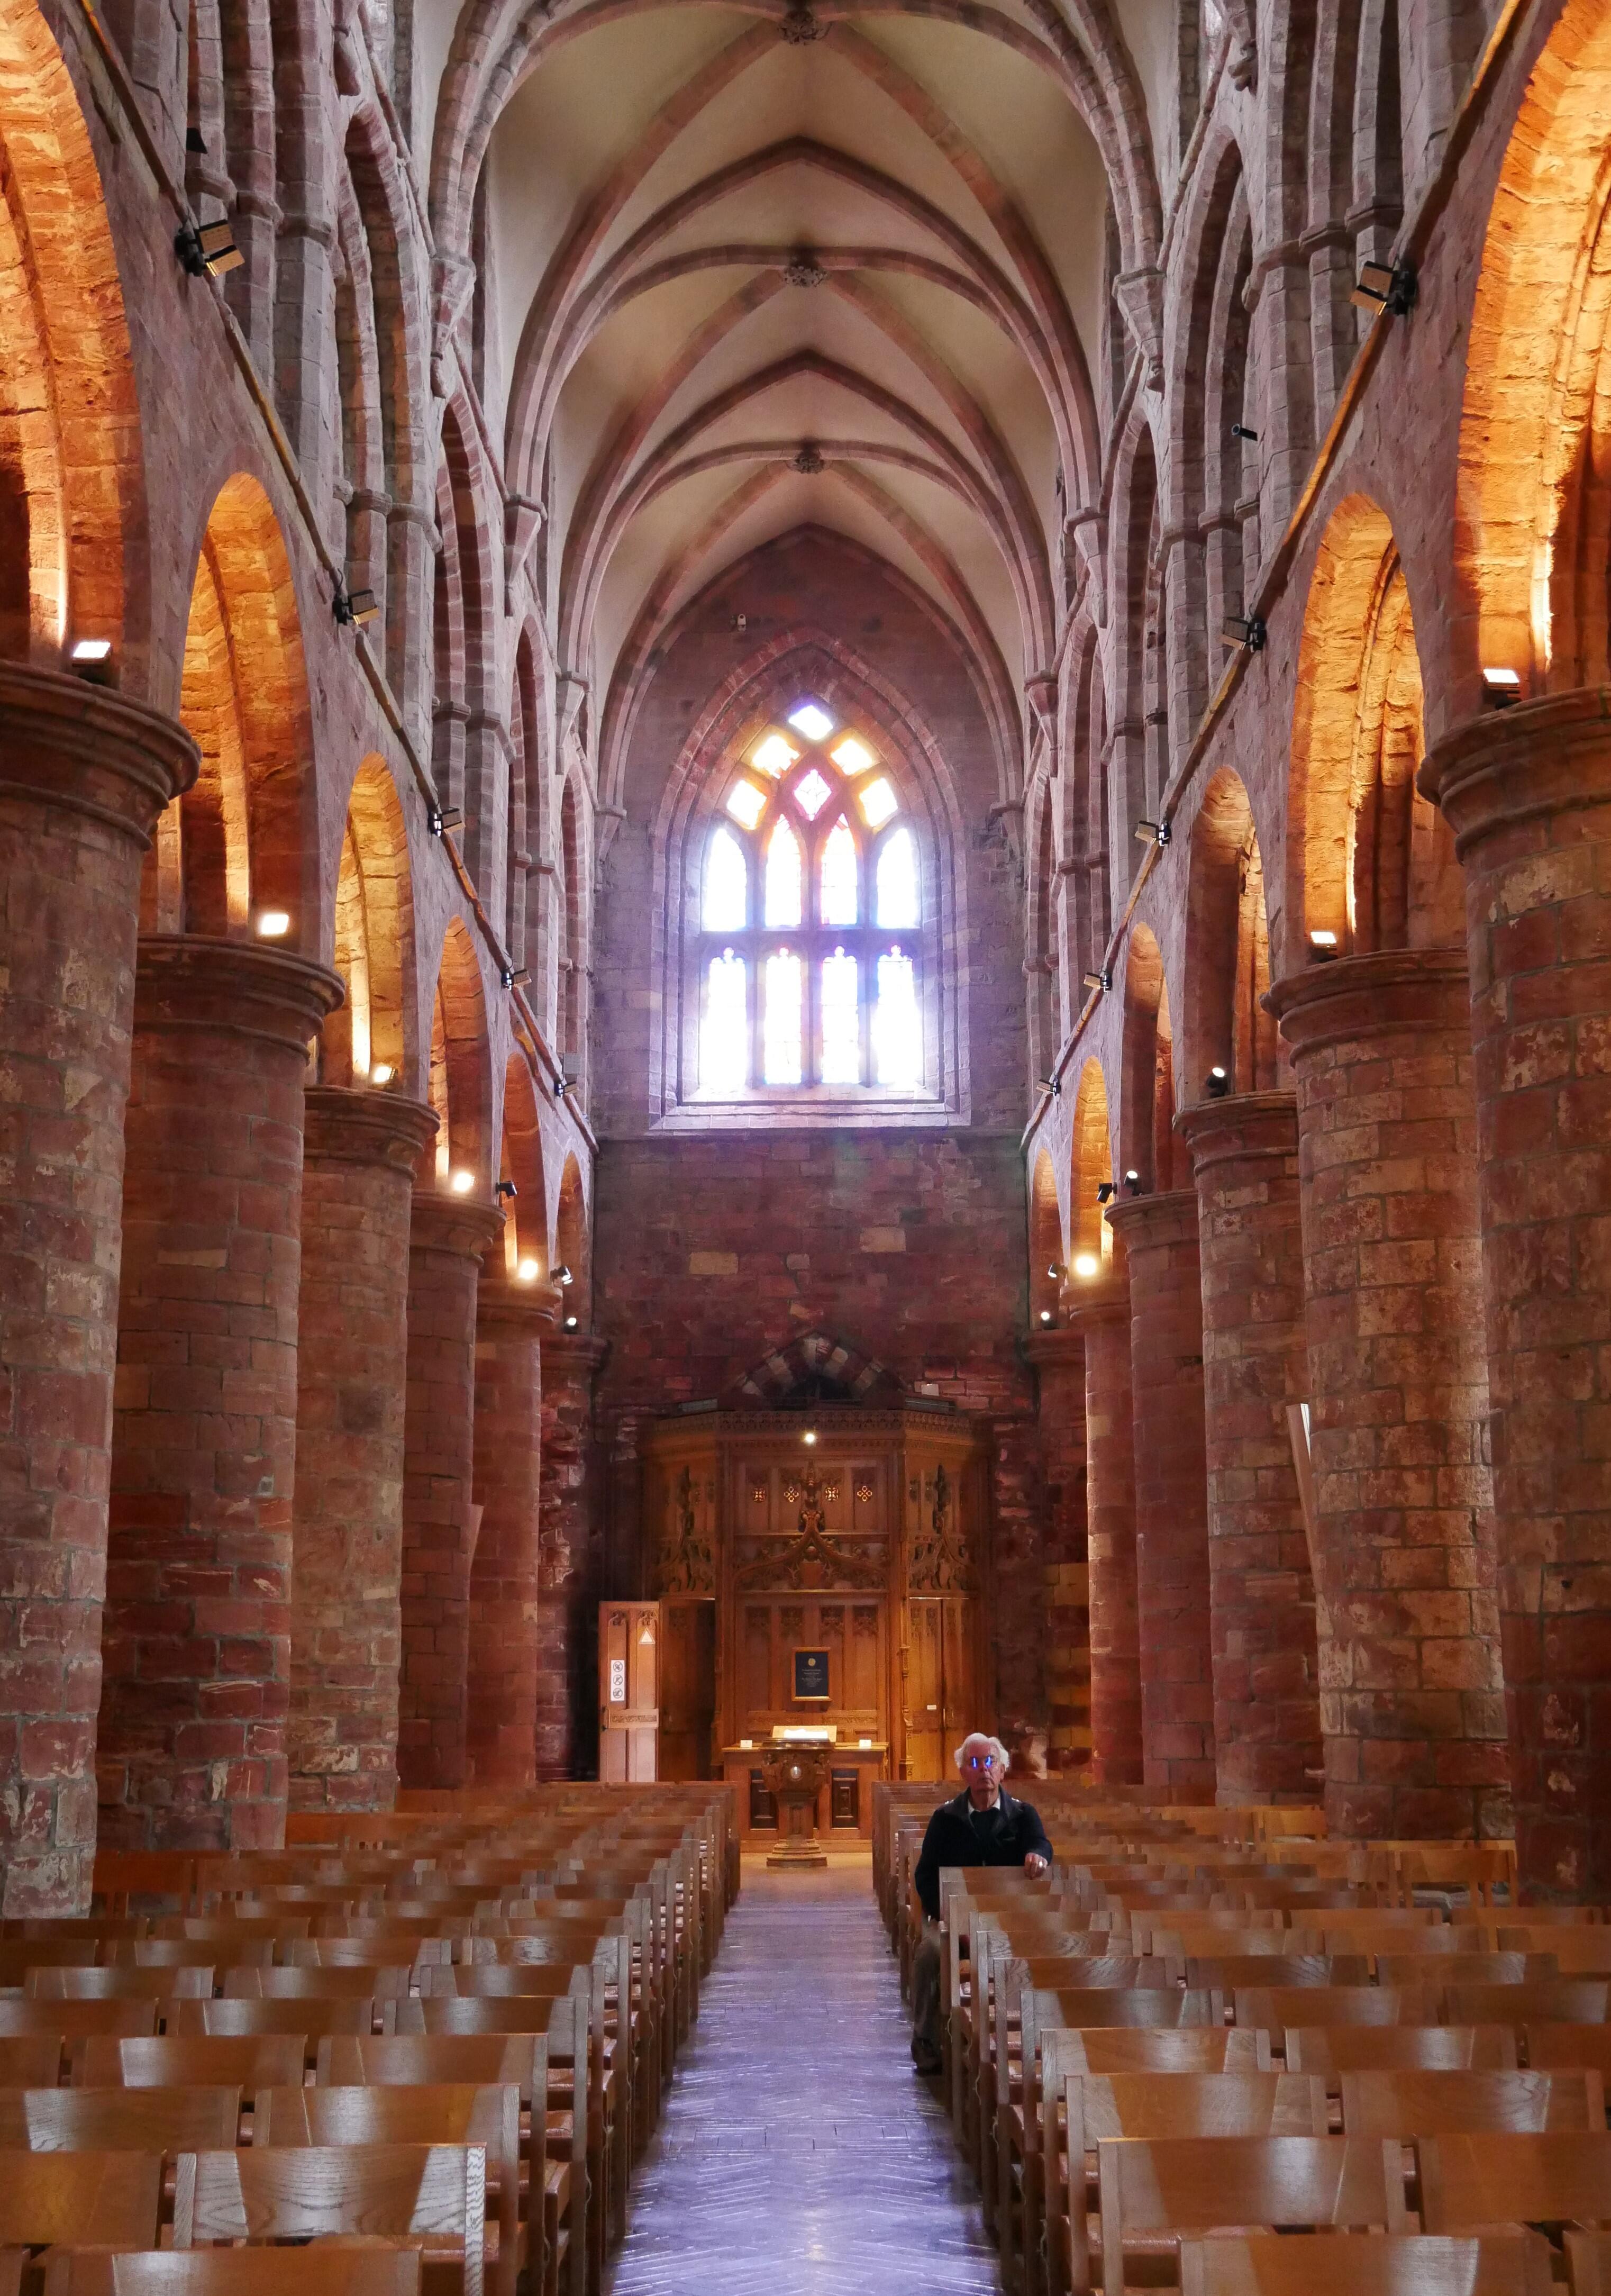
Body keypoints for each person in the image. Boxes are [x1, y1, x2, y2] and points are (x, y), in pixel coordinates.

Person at [908, 1731, 1052, 2074]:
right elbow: (925, 1877)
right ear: (964, 1772)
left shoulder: (1022, 1815)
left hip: (1009, 1923)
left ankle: (1041, 2040)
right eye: (974, 1763)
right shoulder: (945, 1819)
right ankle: (925, 2039)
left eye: (990, 1761)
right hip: (953, 1922)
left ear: (1002, 1769)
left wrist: (1037, 1854)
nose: (983, 1769)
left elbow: (1041, 1843)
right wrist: (952, 1920)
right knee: (929, 1953)